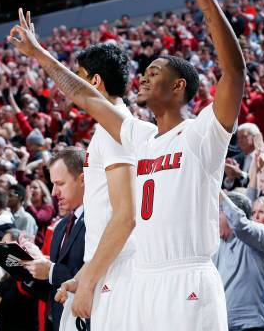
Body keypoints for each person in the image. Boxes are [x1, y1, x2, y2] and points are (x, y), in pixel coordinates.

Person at [9, 0, 245, 330]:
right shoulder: (139, 136)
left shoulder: (204, 133)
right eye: (145, 70)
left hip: (188, 277)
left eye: (156, 72)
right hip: (144, 278)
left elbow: (235, 73)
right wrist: (40, 54)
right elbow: (87, 97)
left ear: (178, 87)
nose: (144, 76)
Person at [63, 43, 156, 328]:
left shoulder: (115, 132)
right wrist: (83, 276)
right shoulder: (113, 129)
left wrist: (89, 282)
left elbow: (125, 216)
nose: (72, 85)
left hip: (119, 271)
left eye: (77, 75)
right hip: (111, 267)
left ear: (94, 81)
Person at [25, 148, 86, 331]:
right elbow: (52, 291)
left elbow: (97, 278)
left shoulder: (101, 220)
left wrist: (50, 270)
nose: (53, 192)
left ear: (83, 179)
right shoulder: (60, 227)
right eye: (52, 184)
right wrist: (29, 269)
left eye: (60, 183)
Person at [214, 190, 264, 330]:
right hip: (224, 326)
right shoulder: (217, 245)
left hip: (254, 326)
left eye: (219, 211)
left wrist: (220, 194)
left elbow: (240, 224)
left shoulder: (263, 234)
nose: (214, 217)